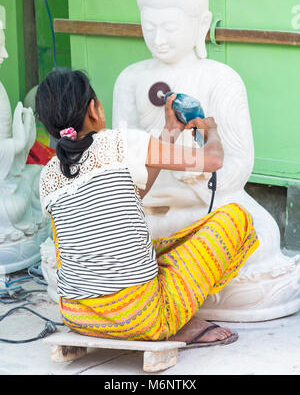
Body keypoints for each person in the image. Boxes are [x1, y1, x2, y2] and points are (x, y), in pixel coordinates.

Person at [36, 68, 259, 346]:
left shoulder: (48, 174)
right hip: (142, 316)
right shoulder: (120, 141)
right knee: (236, 217)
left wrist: (170, 132)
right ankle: (171, 319)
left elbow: (134, 194)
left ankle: (130, 310)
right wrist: (211, 129)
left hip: (78, 316)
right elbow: (212, 160)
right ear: (94, 109)